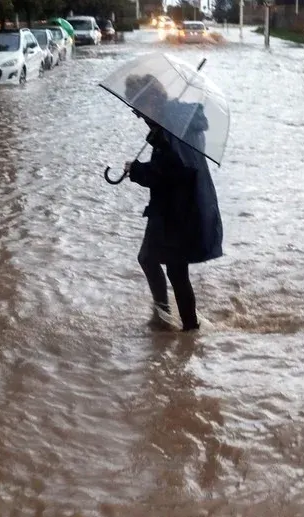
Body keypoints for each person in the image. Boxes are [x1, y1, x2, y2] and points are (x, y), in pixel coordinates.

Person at [122, 74, 223, 332]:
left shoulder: (173, 126)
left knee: (172, 269)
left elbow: (177, 169)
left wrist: (138, 171)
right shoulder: (171, 122)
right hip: (173, 207)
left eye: (138, 106)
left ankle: (185, 326)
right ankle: (168, 319)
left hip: (181, 210)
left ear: (152, 99)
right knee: (153, 260)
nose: (136, 114)